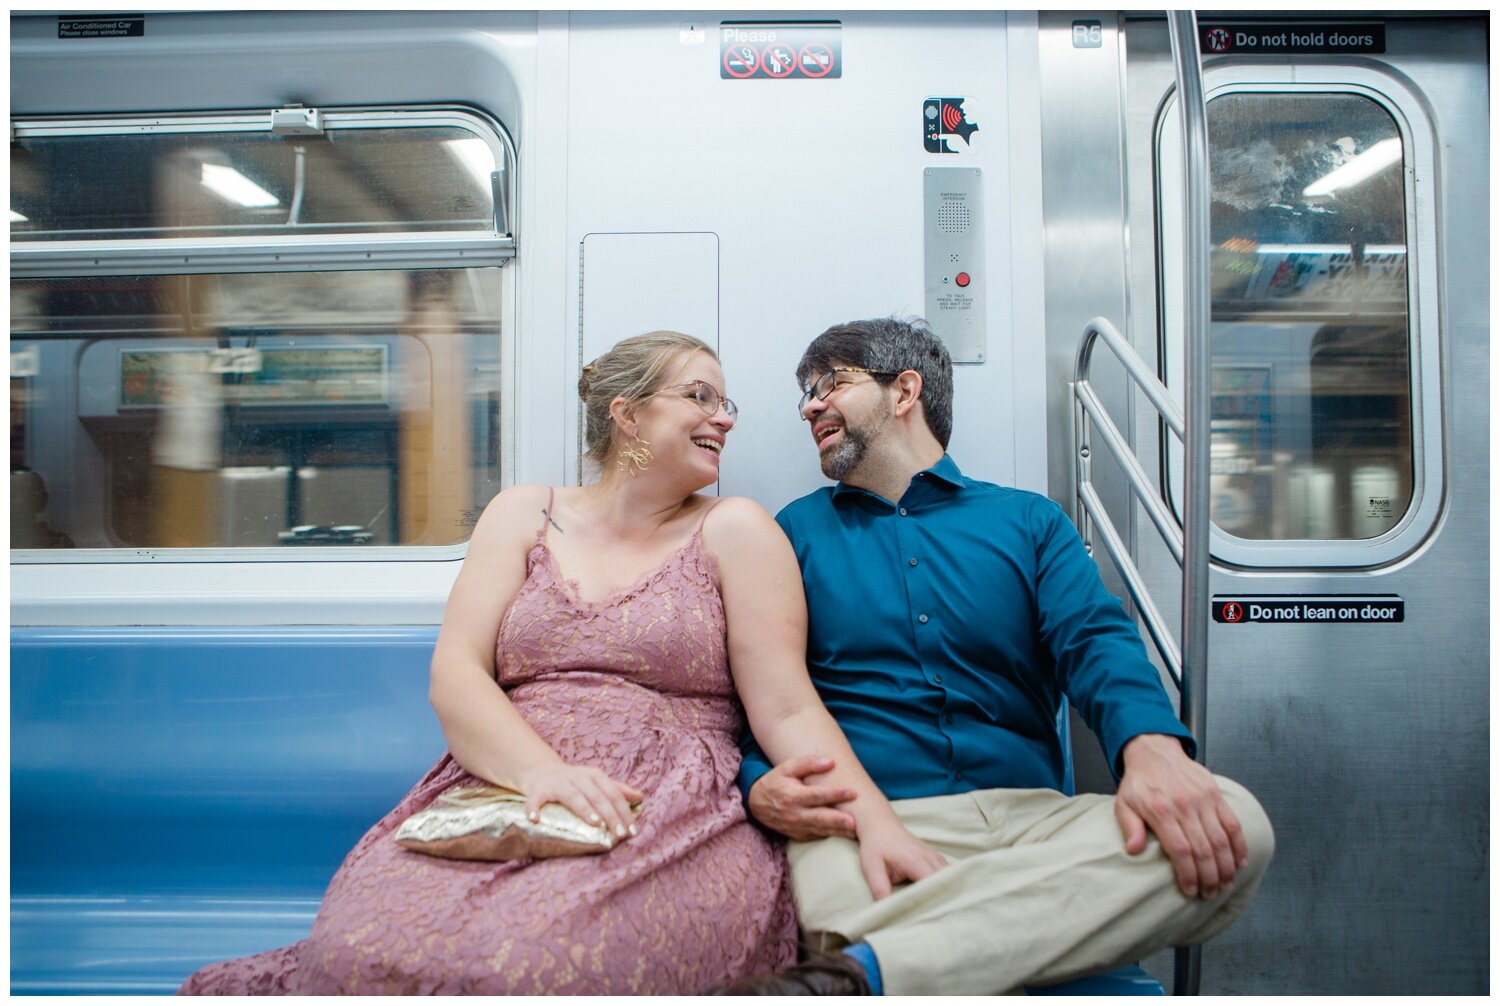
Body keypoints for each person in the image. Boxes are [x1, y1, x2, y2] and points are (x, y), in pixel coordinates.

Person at [178, 331, 941, 995]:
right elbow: (458, 672)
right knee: (360, 952)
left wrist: (874, 822)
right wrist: (541, 773)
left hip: (667, 801)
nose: (725, 418)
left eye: (727, 404)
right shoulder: (524, 512)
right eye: (701, 396)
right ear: (628, 413)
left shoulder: (736, 530)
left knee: (544, 966)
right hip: (502, 776)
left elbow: (788, 706)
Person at [724, 317, 1275, 996]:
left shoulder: (1029, 522)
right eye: (805, 392)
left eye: (830, 383)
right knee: (841, 896)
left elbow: (1094, 640)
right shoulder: (793, 533)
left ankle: (870, 974)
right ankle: (1001, 938)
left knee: (1237, 825)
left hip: (1032, 821)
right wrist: (757, 781)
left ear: (905, 390)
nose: (809, 405)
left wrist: (1152, 749)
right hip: (862, 821)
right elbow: (766, 691)